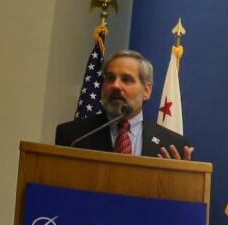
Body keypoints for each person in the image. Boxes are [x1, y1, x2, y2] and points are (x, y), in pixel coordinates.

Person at [55, 50, 193, 159]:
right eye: (110, 78)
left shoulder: (173, 146)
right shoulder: (73, 137)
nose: (115, 85)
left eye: (126, 79)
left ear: (147, 90)